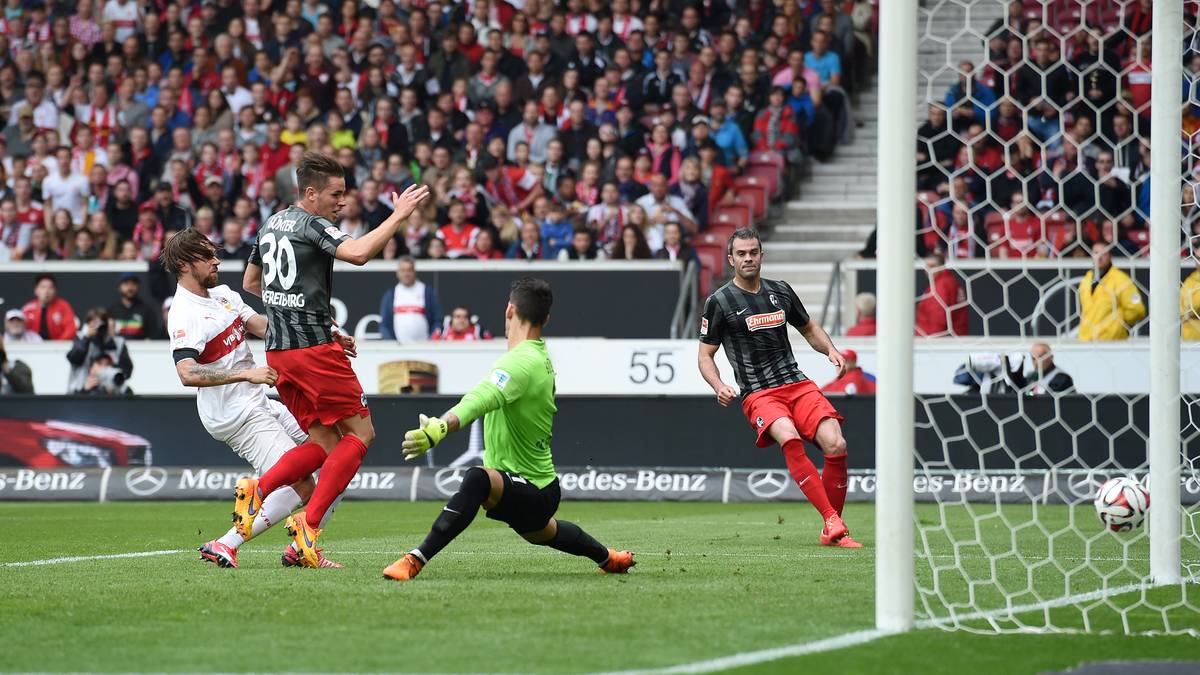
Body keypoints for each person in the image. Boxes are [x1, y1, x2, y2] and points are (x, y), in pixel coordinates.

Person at [229, 153, 429, 568]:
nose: (343, 202)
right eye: (336, 194)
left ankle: (259, 491)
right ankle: (309, 526)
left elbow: (250, 282)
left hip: (280, 352)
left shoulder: (269, 224)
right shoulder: (312, 223)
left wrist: (303, 314)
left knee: (324, 443)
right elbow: (357, 254)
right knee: (362, 432)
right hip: (314, 353)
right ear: (310, 193)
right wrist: (398, 217)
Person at [383, 278, 635, 580]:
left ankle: (415, 559)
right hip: (538, 487)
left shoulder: (521, 363)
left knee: (477, 480)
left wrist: (440, 427)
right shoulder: (537, 357)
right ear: (547, 319)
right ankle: (609, 559)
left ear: (509, 311)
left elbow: (481, 398)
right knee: (545, 533)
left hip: (532, 488)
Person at [163, 229, 355, 569]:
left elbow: (265, 327)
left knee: (341, 453)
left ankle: (300, 549)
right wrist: (246, 373)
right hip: (234, 414)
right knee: (301, 486)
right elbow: (187, 373)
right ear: (183, 264)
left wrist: (324, 336)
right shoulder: (183, 313)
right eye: (207, 256)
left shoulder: (222, 294)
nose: (216, 260)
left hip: (258, 401)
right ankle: (225, 543)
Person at [697, 228, 861, 548]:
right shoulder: (719, 302)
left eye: (753, 252)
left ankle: (832, 528)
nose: (748, 258)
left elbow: (809, 326)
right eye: (741, 254)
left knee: (836, 444)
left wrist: (831, 350)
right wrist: (718, 384)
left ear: (762, 255)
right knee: (789, 436)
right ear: (731, 259)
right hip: (759, 392)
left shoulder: (780, 291)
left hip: (796, 384)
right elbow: (705, 355)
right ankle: (831, 520)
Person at [1078, 242, 1145, 341]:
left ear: (1110, 256)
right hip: (1086, 340)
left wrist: (1117, 324)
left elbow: (1137, 310)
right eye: (1096, 253)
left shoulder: (1121, 279)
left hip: (1112, 343)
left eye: (1103, 253)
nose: (1099, 257)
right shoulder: (1086, 280)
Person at [66, 307, 133, 394]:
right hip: (82, 391)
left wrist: (108, 370)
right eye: (94, 324)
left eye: (101, 324)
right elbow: (74, 359)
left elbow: (127, 370)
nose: (98, 328)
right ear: (87, 324)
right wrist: (87, 338)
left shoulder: (117, 343)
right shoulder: (81, 338)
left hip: (110, 392)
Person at [378, 255, 442, 342]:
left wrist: (432, 339)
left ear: (414, 271)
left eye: (409, 270)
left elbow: (437, 320)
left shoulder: (427, 291)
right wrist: (391, 343)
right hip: (397, 350)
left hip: (425, 348)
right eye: (403, 270)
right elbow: (384, 324)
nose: (406, 274)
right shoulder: (391, 294)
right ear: (397, 273)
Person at [915, 252, 968, 337]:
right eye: (926, 266)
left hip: (936, 341)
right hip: (954, 338)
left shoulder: (941, 286)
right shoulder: (950, 281)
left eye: (932, 266)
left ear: (942, 267)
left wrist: (933, 343)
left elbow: (938, 318)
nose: (928, 270)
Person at [22, 274, 78, 341]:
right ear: (36, 290)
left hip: (58, 348)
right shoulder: (28, 308)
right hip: (32, 347)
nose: (46, 291)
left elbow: (70, 329)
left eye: (50, 287)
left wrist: (57, 345)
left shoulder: (63, 306)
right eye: (43, 287)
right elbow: (19, 330)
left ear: (55, 291)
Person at [108, 272, 162, 340]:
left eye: (133, 284)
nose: (130, 288)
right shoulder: (113, 310)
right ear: (119, 287)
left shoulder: (147, 310)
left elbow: (153, 335)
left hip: (140, 349)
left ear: (138, 286)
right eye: (126, 284)